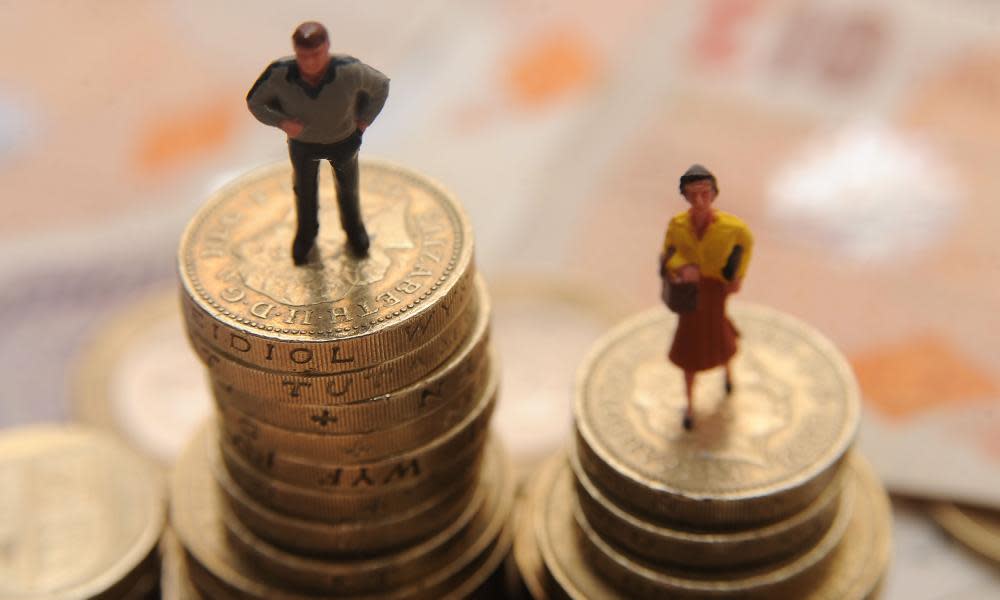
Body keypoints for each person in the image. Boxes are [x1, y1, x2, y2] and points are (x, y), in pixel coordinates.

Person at [247, 21, 390, 264]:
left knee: (349, 190)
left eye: (316, 54)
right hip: (303, 146)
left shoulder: (349, 71)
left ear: (327, 49)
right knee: (304, 191)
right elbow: (255, 102)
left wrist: (363, 120)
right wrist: (281, 122)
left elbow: (380, 86)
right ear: (295, 52)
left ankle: (354, 231)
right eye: (304, 55)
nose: (310, 61)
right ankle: (306, 235)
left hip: (344, 141)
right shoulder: (280, 74)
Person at [660, 165, 753, 430]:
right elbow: (668, 253)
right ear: (685, 197)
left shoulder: (732, 227)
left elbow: (746, 244)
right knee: (688, 347)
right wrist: (681, 268)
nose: (700, 200)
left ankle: (728, 372)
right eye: (693, 194)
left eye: (705, 193)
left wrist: (738, 276)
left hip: (716, 289)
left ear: (714, 194)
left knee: (719, 332)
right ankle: (689, 405)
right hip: (690, 294)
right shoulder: (677, 225)